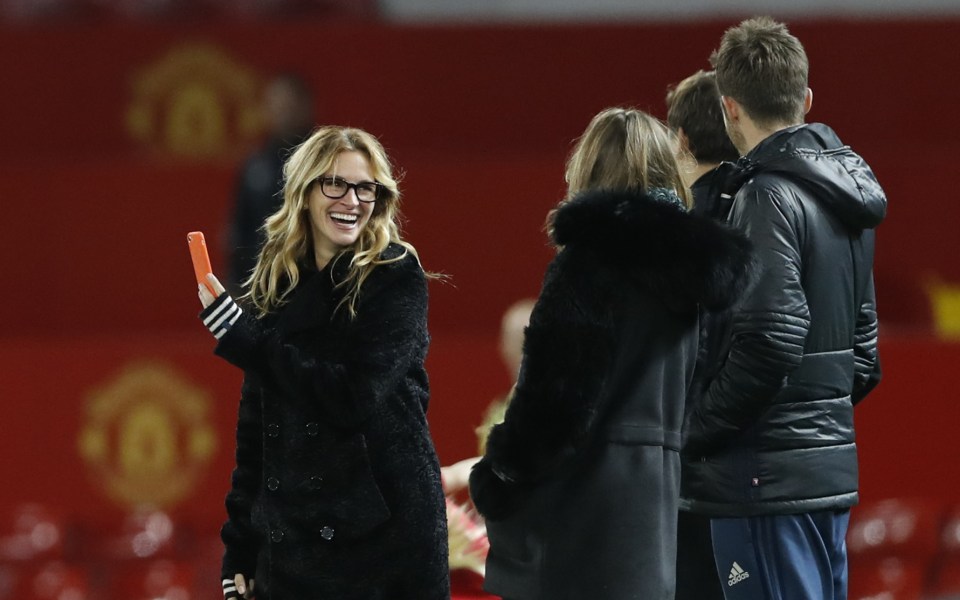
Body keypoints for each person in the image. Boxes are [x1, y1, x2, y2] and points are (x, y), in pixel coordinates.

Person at [468, 107, 757, 600]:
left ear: (589, 172)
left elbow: (554, 401)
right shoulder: (698, 279)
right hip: (658, 505)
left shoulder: (588, 265)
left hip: (581, 509)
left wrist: (497, 477)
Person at [195, 126, 450, 600]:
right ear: (305, 192)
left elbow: (352, 397)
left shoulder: (395, 276)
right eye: (335, 183)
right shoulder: (275, 285)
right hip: (291, 547)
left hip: (384, 545)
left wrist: (246, 341)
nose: (351, 200)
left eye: (365, 187)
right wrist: (240, 549)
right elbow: (256, 434)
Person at [680, 17, 886, 600]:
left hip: (762, 479)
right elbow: (863, 354)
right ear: (807, 99)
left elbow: (771, 337)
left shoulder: (762, 195)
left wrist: (694, 431)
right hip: (824, 475)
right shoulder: (849, 193)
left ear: (728, 108)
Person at [665, 68, 741, 600]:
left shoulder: (671, 244)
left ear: (681, 141)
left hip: (689, 472)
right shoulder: (779, 216)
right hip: (763, 469)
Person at [224, 72, 315, 295]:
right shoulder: (254, 166)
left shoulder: (324, 161)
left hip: (312, 283)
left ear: (305, 106)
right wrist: (236, 286)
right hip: (262, 287)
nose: (282, 112)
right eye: (276, 104)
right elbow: (239, 231)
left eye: (289, 104)